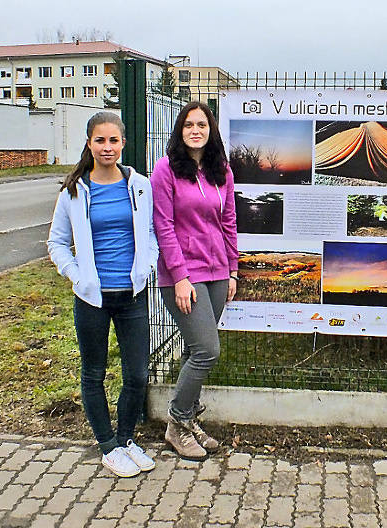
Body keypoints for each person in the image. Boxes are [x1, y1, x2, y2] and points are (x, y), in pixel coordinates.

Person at [47, 111, 158, 478]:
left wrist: (150, 263)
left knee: (137, 375)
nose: (107, 147)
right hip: (92, 298)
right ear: (89, 143)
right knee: (93, 373)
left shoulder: (140, 185)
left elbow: (153, 233)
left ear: (123, 143)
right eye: (100, 141)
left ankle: (126, 439)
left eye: (113, 140)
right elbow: (57, 242)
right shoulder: (74, 191)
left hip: (132, 296)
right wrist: (76, 275)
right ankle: (108, 446)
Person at [150, 101, 238, 461]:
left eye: (202, 124)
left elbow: (229, 221)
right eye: (189, 125)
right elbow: (164, 226)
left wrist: (233, 270)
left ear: (211, 130)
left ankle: (188, 422)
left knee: (191, 350)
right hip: (183, 275)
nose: (196, 130)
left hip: (218, 271)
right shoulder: (166, 170)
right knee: (207, 349)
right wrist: (181, 277)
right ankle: (177, 423)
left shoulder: (222, 171)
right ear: (180, 130)